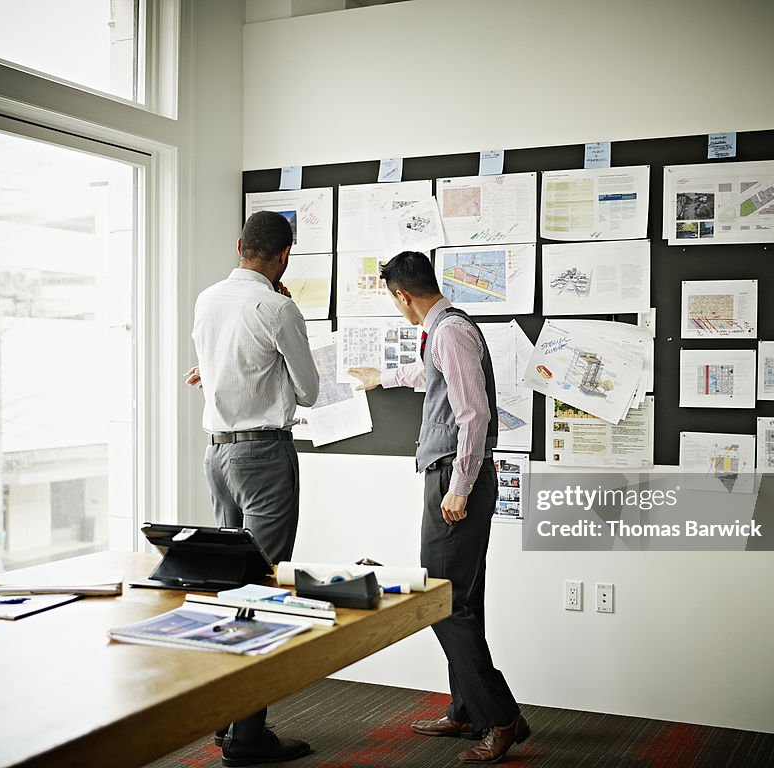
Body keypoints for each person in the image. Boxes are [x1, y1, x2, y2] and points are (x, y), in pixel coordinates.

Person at [348, 251, 529, 764]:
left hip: (456, 475)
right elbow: (438, 380)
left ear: (402, 295)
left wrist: (459, 488)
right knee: (463, 599)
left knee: (442, 600)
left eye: (394, 301)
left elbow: (474, 414)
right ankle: (468, 709)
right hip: (453, 473)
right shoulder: (448, 331)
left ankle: (501, 716)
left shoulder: (448, 331)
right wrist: (383, 378)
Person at [186, 210, 319, 767]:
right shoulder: (278, 307)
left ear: (241, 245)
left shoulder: (208, 299)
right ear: (284, 255)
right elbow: (309, 392)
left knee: (230, 583)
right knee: (262, 588)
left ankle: (225, 719)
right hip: (263, 456)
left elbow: (211, 369)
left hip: (217, 453)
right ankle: (246, 737)